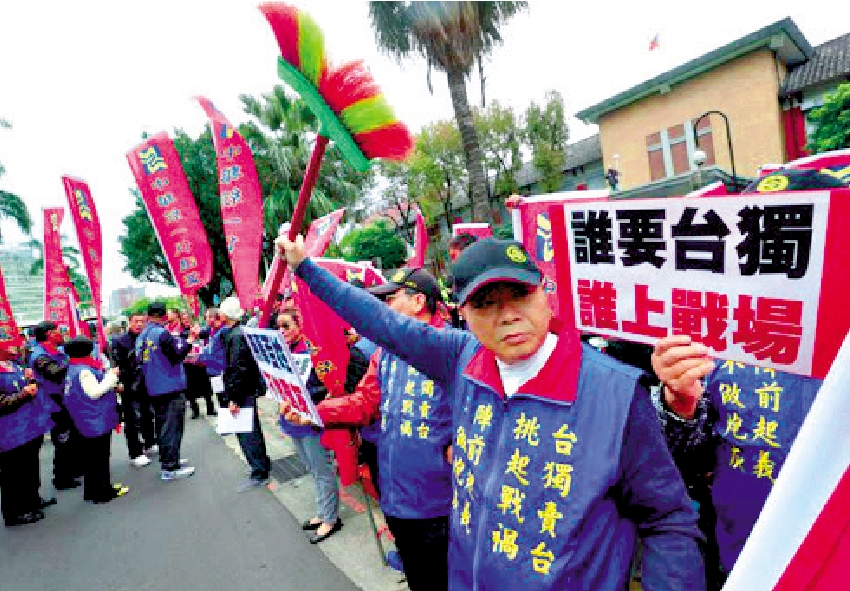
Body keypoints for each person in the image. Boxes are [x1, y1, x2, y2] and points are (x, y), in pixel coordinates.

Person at [277, 233, 706, 591]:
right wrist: (305, 267)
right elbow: (382, 322)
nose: (508, 317)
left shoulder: (613, 391)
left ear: (543, 293)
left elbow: (668, 520)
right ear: (462, 312)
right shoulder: (459, 358)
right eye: (485, 304)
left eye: (519, 294)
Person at [283, 267, 453, 590]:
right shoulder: (385, 355)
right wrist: (313, 413)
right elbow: (363, 402)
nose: (385, 308)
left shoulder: (452, 350)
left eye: (391, 299)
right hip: (397, 498)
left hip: (443, 504)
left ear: (419, 302)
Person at [651, 335, 823, 589]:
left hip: (829, 546)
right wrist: (681, 405)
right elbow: (681, 460)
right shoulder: (724, 328)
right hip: (740, 552)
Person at [276, 310, 344, 543]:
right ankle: (324, 512)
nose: (282, 332)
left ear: (300, 325)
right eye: (279, 327)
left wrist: (303, 399)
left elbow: (323, 386)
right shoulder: (284, 351)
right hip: (292, 420)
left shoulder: (313, 352)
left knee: (322, 470)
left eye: (286, 326)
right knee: (312, 469)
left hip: (310, 422)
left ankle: (330, 519)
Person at [63, 336, 130, 504]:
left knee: (92, 458)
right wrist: (111, 377)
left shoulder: (73, 368)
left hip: (86, 419)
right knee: (99, 458)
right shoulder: (84, 370)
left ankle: (92, 490)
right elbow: (95, 392)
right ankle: (102, 491)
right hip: (95, 419)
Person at [136, 302, 195, 481]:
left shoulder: (143, 334)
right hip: (169, 386)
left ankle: (169, 460)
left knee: (162, 427)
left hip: (154, 387)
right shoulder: (162, 334)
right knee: (172, 428)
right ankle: (170, 467)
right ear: (163, 316)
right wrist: (189, 341)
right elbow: (177, 355)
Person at [0, 336, 56, 526]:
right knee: (13, 473)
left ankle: (32, 500)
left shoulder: (13, 365)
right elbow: (2, 403)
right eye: (8, 344)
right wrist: (25, 393)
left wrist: (30, 380)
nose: (15, 347)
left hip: (28, 425)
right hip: (9, 431)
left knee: (30, 466)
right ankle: (15, 513)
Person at [218, 296, 272, 493]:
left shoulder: (236, 336)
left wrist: (234, 398)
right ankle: (261, 466)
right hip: (246, 389)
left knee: (248, 433)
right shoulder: (237, 333)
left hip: (243, 391)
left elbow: (237, 369)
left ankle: (259, 471)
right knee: (250, 431)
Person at [29, 320, 80, 490]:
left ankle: (70, 470)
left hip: (63, 398)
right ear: (50, 333)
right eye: (59, 330)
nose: (62, 333)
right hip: (52, 402)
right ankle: (62, 478)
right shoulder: (40, 355)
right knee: (62, 438)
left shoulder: (56, 350)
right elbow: (53, 373)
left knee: (70, 436)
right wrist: (73, 360)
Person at [111, 312, 157, 467]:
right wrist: (119, 382)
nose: (139, 324)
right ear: (129, 322)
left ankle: (150, 442)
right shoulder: (119, 341)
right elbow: (117, 364)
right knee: (132, 419)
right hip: (129, 384)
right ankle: (135, 452)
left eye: (142, 321)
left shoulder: (148, 338)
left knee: (148, 414)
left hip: (147, 381)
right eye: (136, 321)